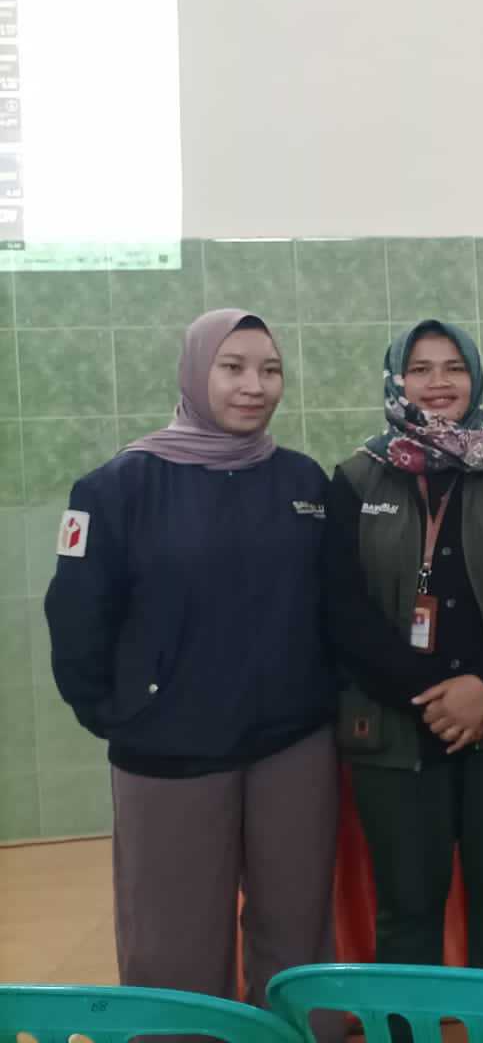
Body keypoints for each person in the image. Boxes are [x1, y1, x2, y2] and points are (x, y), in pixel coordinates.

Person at [46, 309, 339, 1022]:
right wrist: (126, 713)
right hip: (170, 751)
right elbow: (76, 619)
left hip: (292, 744)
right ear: (194, 371)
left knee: (297, 929)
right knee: (174, 939)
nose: (254, 386)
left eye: (270, 370)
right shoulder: (118, 487)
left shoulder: (302, 480)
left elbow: (332, 604)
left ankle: (298, 1037)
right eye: (232, 367)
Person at [322, 320, 483, 978]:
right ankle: (408, 1025)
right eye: (421, 369)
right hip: (395, 724)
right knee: (406, 906)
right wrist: (430, 698)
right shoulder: (358, 478)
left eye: (454, 367)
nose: (438, 382)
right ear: (397, 381)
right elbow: (342, 607)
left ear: (475, 377)